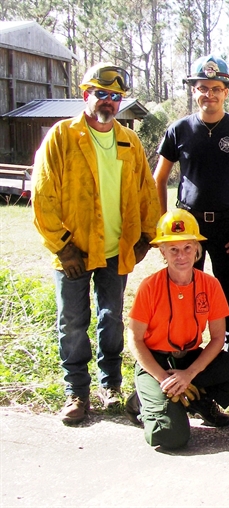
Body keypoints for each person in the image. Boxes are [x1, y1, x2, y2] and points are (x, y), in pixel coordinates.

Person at [32, 62, 160, 425]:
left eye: (115, 97)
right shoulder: (62, 136)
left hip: (115, 252)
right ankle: (76, 391)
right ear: (86, 95)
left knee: (112, 319)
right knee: (72, 321)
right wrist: (63, 247)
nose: (108, 102)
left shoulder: (129, 141)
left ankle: (111, 385)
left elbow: (146, 195)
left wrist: (145, 240)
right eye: (101, 94)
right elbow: (42, 196)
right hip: (75, 251)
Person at [127, 210, 229, 449]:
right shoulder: (150, 286)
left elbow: (218, 338)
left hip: (189, 359)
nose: (181, 256)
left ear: (197, 249)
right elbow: (135, 340)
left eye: (187, 248)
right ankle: (141, 400)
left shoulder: (209, 284)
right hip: (156, 363)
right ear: (163, 252)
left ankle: (198, 400)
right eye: (174, 250)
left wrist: (188, 374)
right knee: (170, 437)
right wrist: (163, 379)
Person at [153, 54, 229, 354]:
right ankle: (186, 349)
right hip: (188, 225)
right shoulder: (178, 130)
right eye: (202, 88)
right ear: (193, 90)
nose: (208, 94)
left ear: (226, 91)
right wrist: (164, 230)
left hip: (228, 226)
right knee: (185, 289)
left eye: (216, 88)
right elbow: (159, 179)